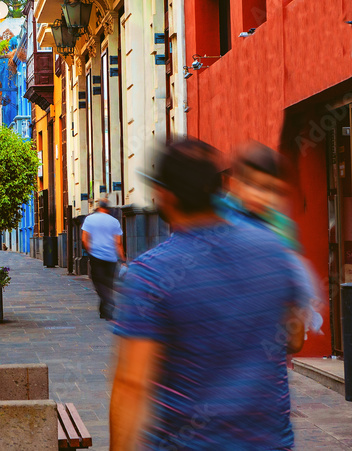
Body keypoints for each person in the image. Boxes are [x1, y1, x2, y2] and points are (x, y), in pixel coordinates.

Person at [110, 139, 304, 451]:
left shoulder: (151, 274)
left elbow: (133, 383)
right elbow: (294, 339)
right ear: (222, 188)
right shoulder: (275, 250)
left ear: (165, 196)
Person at [224, 142, 324, 336]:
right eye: (259, 187)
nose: (267, 197)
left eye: (275, 190)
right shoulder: (221, 219)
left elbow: (294, 271)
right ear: (235, 185)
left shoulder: (281, 226)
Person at [81, 199, 125, 320]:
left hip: (96, 257)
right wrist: (123, 258)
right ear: (108, 209)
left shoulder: (90, 219)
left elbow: (84, 239)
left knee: (98, 282)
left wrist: (91, 252)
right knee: (108, 282)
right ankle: (104, 311)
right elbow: (118, 243)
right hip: (111, 257)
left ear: (99, 207)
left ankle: (109, 302)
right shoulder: (114, 221)